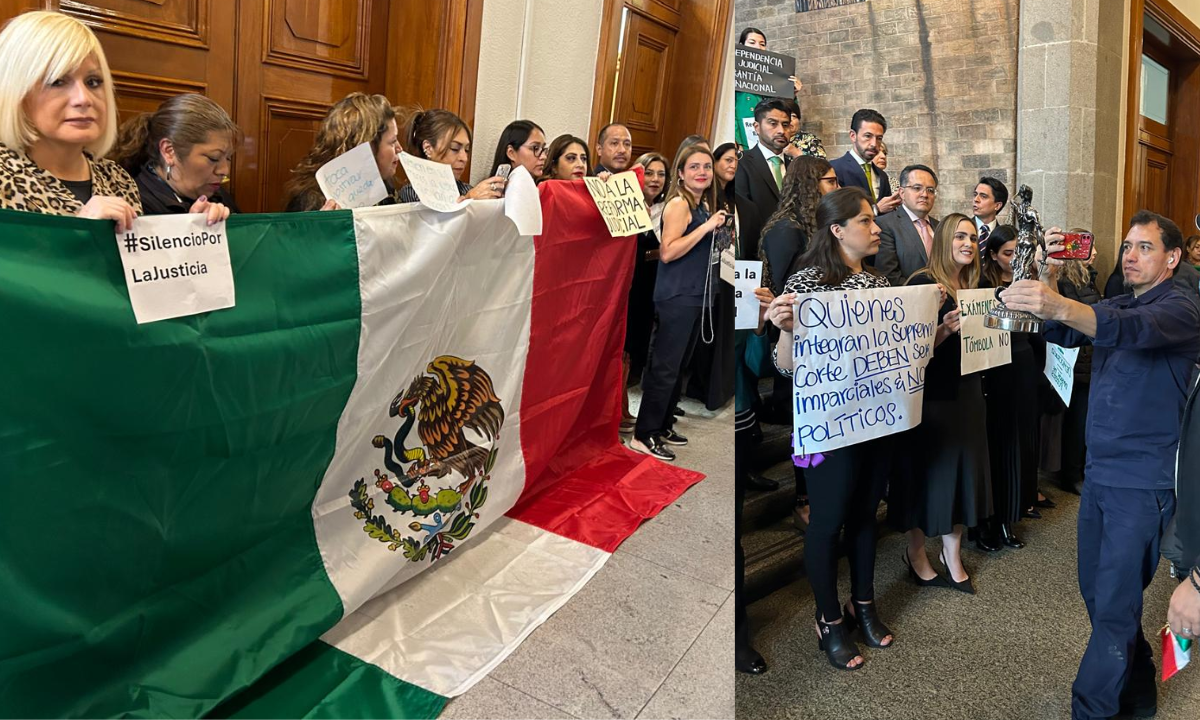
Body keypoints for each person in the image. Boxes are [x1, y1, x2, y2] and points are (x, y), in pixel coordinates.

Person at [1000, 211, 1200, 720]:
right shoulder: (1121, 299)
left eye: (1144, 248)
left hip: (1144, 479)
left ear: (1172, 258)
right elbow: (1067, 331)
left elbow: (1127, 329)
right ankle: (1136, 696)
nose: (1130, 256)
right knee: (1099, 596)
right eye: (1127, 247)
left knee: (1112, 604)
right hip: (1102, 473)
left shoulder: (1180, 307)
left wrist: (1060, 302)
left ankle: (1091, 710)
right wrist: (1047, 280)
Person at [764, 187, 896, 671]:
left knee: (866, 514)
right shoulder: (808, 283)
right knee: (827, 521)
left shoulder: (882, 287)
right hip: (823, 427)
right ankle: (828, 620)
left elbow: (895, 355)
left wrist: (935, 330)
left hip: (875, 420)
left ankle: (863, 604)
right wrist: (783, 328)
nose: (876, 227)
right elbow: (785, 369)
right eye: (866, 221)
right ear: (837, 230)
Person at [890, 213, 991, 596]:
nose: (967, 243)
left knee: (962, 472)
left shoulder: (976, 286)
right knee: (926, 474)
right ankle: (915, 552)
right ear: (945, 240)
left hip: (968, 391)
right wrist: (945, 330)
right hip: (930, 396)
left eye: (971, 237)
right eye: (959, 236)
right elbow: (907, 351)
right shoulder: (921, 283)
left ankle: (952, 553)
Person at [0, 11, 140, 228]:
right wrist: (80, 230)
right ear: (17, 93)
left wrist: (191, 231)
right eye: (57, 81)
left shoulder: (117, 179)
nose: (83, 99)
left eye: (93, 82)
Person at [629, 145, 725, 461]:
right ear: (681, 173)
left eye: (707, 167)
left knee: (680, 367)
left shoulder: (701, 205)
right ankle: (644, 434)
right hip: (677, 297)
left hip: (697, 295)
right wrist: (708, 228)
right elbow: (668, 251)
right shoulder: (678, 205)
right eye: (694, 166)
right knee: (665, 369)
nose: (702, 172)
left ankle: (663, 424)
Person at [977, 224, 1040, 551]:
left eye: (1020, 252)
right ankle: (989, 519)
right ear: (992, 254)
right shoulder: (983, 285)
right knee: (997, 445)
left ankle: (1010, 514)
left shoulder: (1029, 284)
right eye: (1008, 253)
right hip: (995, 369)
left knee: (1019, 442)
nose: (1016, 259)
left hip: (1024, 364)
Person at [111, 93, 240, 217]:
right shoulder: (134, 206)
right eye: (214, 158)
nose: (225, 171)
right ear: (169, 151)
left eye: (228, 158)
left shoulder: (220, 197)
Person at [1043, 234, 1101, 497]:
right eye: (1087, 246)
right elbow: (1062, 320)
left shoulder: (1090, 278)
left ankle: (1078, 471)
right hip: (1075, 358)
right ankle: (1070, 473)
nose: (1095, 251)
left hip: (1089, 357)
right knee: (1075, 421)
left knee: (1083, 418)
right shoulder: (1066, 282)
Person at [283, 93, 402, 212]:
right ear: (367, 146)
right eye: (393, 141)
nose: (399, 148)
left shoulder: (386, 187)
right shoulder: (309, 202)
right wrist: (319, 228)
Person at [621, 151, 669, 434]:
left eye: (660, 174)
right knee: (624, 348)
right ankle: (619, 406)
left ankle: (623, 404)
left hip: (654, 285)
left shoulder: (666, 208)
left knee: (638, 347)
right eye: (648, 173)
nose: (654, 179)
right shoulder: (627, 206)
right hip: (630, 285)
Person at [759, 156, 837, 295]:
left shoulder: (815, 222)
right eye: (831, 182)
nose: (837, 188)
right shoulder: (786, 229)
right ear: (810, 184)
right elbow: (782, 285)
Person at [396, 108, 506, 204]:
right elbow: (434, 224)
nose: (464, 158)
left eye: (467, 150)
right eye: (454, 148)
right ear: (428, 148)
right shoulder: (411, 193)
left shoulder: (467, 189)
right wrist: (469, 201)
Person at [733, 98, 791, 265]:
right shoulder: (742, 165)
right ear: (756, 127)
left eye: (785, 125)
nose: (781, 130)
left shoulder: (795, 166)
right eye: (773, 123)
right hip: (759, 258)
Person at [733, 27, 804, 149]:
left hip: (771, 137)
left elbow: (788, 110)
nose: (757, 47)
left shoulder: (774, 76)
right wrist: (736, 140)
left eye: (762, 44)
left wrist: (792, 94)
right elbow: (729, 112)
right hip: (744, 139)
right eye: (752, 42)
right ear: (741, 45)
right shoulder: (735, 75)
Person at [875, 164, 940, 286]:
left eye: (930, 190)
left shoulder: (940, 227)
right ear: (902, 192)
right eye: (917, 188)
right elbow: (889, 275)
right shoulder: (885, 225)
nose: (924, 195)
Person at [829, 109, 900, 216]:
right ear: (853, 136)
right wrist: (875, 209)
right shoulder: (835, 169)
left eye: (879, 138)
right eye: (868, 136)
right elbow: (834, 212)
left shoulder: (882, 176)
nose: (874, 143)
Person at [972, 177, 1009, 251]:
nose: (976, 199)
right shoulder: (959, 229)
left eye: (983, 196)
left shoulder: (1005, 238)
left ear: (997, 205)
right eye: (975, 194)